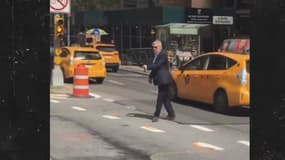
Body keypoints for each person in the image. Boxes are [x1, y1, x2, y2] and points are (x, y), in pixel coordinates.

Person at [143, 40, 176, 122]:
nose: (154, 49)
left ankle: (156, 115)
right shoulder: (156, 55)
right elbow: (155, 69)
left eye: (155, 47)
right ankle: (171, 115)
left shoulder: (163, 55)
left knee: (160, 98)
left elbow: (157, 65)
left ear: (160, 47)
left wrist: (147, 67)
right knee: (165, 99)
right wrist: (150, 77)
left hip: (164, 80)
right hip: (162, 80)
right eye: (153, 47)